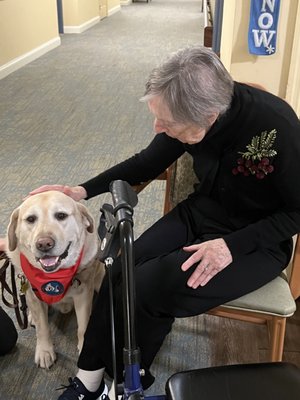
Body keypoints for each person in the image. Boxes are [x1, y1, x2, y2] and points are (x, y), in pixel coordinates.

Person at [21, 46, 300, 399]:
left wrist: (230, 247)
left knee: (148, 288)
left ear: (209, 116)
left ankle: (127, 380)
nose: (158, 128)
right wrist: (79, 191)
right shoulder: (191, 112)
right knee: (116, 268)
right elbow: (146, 163)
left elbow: (295, 212)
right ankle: (89, 379)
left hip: (255, 240)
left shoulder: (279, 127)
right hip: (203, 212)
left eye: (167, 124)